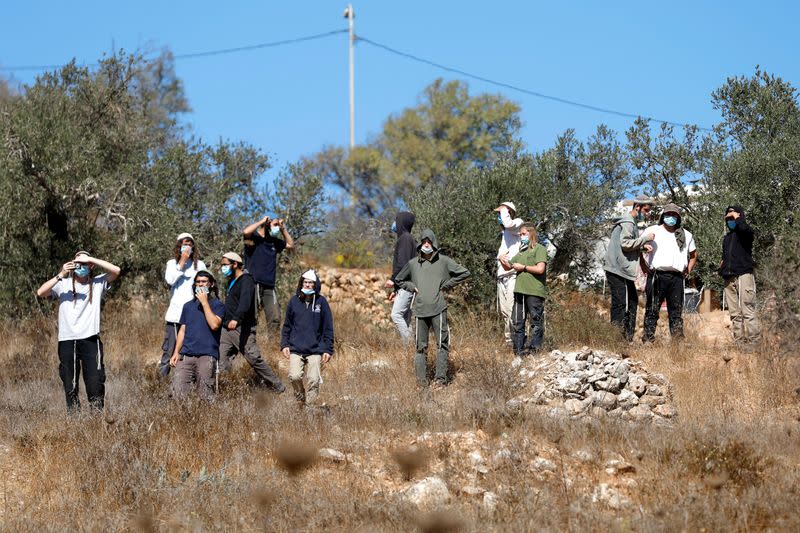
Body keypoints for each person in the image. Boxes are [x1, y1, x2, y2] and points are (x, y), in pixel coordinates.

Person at [35, 251, 121, 411]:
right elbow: (41, 292)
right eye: (77, 263)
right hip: (68, 339)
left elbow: (116, 271)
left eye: (84, 264)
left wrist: (89, 259)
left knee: (95, 382)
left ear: (91, 266)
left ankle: (96, 421)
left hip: (90, 339)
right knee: (70, 383)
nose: (81, 266)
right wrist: (61, 274)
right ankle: (74, 422)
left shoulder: (97, 283)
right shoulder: (63, 284)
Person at [394, 230, 470, 388]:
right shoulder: (413, 263)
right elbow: (399, 279)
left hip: (438, 309)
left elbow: (464, 273)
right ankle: (421, 383)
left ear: (434, 243)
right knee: (420, 347)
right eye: (423, 241)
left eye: (429, 241)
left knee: (442, 344)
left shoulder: (444, 261)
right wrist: (411, 286)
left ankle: (440, 380)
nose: (426, 244)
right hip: (420, 311)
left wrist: (446, 285)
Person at [217, 252, 285, 392]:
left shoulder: (246, 280)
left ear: (235, 264)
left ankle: (277, 385)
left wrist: (237, 318)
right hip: (227, 329)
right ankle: (225, 388)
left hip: (242, 329)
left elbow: (245, 303)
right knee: (221, 359)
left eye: (225, 264)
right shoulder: (231, 281)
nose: (223, 267)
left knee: (253, 359)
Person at [641, 203, 698, 342]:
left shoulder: (685, 234)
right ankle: (648, 340)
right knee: (652, 309)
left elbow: (694, 255)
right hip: (656, 275)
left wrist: (688, 271)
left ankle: (677, 343)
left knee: (676, 312)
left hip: (677, 277)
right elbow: (640, 248)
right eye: (668, 214)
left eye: (674, 215)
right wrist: (643, 265)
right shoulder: (652, 230)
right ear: (663, 216)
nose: (671, 217)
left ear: (678, 217)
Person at [603, 196, 656, 341]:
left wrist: (641, 247)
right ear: (637, 207)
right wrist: (645, 239)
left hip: (620, 270)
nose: (647, 213)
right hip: (617, 269)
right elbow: (625, 244)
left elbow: (628, 245)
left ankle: (626, 338)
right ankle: (617, 339)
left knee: (631, 301)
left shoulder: (631, 223)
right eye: (646, 210)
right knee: (621, 304)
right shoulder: (628, 223)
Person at [281, 270, 335, 405]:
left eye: (310, 282)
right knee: (294, 376)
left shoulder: (321, 302)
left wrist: (328, 349)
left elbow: (328, 328)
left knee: (314, 379)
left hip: (315, 349)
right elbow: (287, 325)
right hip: (296, 348)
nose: (308, 285)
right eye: (305, 282)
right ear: (301, 283)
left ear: (315, 284)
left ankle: (309, 407)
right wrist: (284, 344)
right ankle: (300, 400)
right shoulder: (294, 301)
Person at [169, 271, 225, 401]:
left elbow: (214, 325)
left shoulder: (218, 305)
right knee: (177, 393)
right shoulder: (188, 306)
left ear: (210, 284)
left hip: (207, 355)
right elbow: (183, 329)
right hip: (186, 355)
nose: (200, 284)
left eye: (204, 282)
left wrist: (205, 303)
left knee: (205, 396)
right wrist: (176, 352)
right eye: (198, 282)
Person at [160, 232, 207, 377]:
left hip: (193, 315)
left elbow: (204, 286)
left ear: (193, 246)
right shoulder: (171, 263)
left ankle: (184, 383)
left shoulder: (200, 265)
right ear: (179, 245)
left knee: (189, 352)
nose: (186, 246)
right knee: (169, 351)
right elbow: (170, 280)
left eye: (189, 243)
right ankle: (160, 384)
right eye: (184, 243)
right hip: (175, 316)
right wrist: (181, 261)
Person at [500, 224, 548, 356]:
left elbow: (540, 269)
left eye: (523, 234)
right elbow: (507, 267)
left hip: (534, 291)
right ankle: (519, 352)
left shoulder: (540, 249)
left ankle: (535, 351)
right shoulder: (521, 252)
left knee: (536, 321)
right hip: (519, 291)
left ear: (531, 234)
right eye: (520, 235)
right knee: (517, 322)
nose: (521, 237)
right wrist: (501, 259)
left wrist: (524, 267)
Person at [243, 215, 294, 337]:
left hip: (269, 286)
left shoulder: (274, 242)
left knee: (275, 317)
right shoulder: (254, 238)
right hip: (253, 283)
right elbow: (246, 232)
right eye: (275, 225)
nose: (277, 227)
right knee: (251, 318)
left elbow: (291, 245)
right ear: (267, 224)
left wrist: (283, 229)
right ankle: (249, 344)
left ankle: (273, 346)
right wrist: (261, 221)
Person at [719, 205, 760, 343]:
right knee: (734, 313)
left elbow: (746, 230)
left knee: (747, 310)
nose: (730, 220)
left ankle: (754, 342)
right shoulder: (727, 238)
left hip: (744, 275)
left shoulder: (746, 233)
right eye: (728, 218)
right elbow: (725, 257)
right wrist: (722, 267)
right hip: (729, 278)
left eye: (733, 217)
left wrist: (738, 219)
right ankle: (739, 342)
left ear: (740, 216)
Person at [494, 202, 524, 346]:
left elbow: (508, 223)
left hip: (512, 274)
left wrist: (504, 209)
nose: (498, 216)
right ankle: (509, 342)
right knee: (504, 311)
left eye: (500, 213)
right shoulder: (505, 233)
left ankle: (518, 341)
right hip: (502, 276)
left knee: (513, 309)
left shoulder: (517, 224)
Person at [385, 211, 417, 343]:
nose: (394, 223)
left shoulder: (405, 239)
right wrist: (396, 290)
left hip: (406, 285)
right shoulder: (408, 239)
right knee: (405, 319)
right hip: (405, 285)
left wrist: (393, 280)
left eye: (396, 220)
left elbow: (403, 264)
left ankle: (411, 348)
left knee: (396, 315)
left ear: (401, 222)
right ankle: (411, 353)